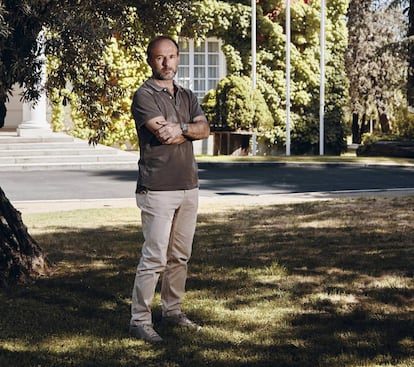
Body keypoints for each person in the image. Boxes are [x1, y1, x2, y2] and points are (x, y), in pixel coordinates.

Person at [129, 35, 210, 343]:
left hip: (189, 185)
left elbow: (204, 128)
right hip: (158, 187)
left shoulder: (187, 95)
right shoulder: (144, 95)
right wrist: (187, 131)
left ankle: (173, 312)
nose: (167, 63)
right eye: (160, 57)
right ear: (151, 60)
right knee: (154, 258)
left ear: (178, 58)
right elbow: (164, 135)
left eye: (172, 56)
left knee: (180, 256)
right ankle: (139, 320)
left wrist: (185, 129)